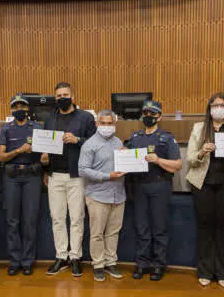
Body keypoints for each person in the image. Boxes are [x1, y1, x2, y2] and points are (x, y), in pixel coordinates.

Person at [186, 93, 224, 288]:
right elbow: (190, 159)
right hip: (203, 185)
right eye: (215, 105)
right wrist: (202, 151)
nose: (219, 108)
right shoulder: (199, 128)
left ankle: (223, 272)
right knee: (205, 227)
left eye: (223, 104)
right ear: (209, 108)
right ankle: (205, 270)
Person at [42, 82, 96, 277]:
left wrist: (77, 140)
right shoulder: (49, 118)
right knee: (57, 218)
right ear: (55, 98)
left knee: (76, 218)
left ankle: (75, 257)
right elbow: (45, 146)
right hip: (55, 175)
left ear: (73, 97)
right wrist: (45, 164)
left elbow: (95, 144)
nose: (62, 98)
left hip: (77, 176)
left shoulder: (85, 118)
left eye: (65, 94)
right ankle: (61, 256)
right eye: (58, 96)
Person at [126, 101, 182, 281]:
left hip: (159, 186)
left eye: (152, 113)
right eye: (145, 113)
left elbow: (177, 165)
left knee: (159, 228)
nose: (148, 116)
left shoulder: (166, 138)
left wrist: (158, 160)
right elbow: (127, 159)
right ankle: (142, 263)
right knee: (142, 227)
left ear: (159, 116)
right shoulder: (135, 137)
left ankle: (159, 265)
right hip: (139, 186)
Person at [0, 95, 43, 276]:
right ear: (11, 110)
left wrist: (45, 157)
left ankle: (27, 261)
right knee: (12, 221)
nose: (19, 109)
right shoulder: (6, 129)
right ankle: (14, 261)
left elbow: (46, 154)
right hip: (12, 177)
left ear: (28, 108)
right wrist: (18, 150)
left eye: (22, 106)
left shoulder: (38, 128)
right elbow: (1, 157)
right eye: (15, 107)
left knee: (30, 221)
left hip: (32, 176)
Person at [78, 110, 126, 282]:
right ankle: (98, 264)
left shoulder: (118, 142)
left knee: (113, 232)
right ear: (97, 124)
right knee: (97, 233)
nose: (107, 127)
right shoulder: (89, 144)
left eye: (110, 123)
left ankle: (110, 261)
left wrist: (127, 157)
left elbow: (124, 164)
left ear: (115, 124)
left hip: (118, 194)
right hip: (98, 195)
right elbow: (82, 170)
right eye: (103, 123)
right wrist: (108, 176)